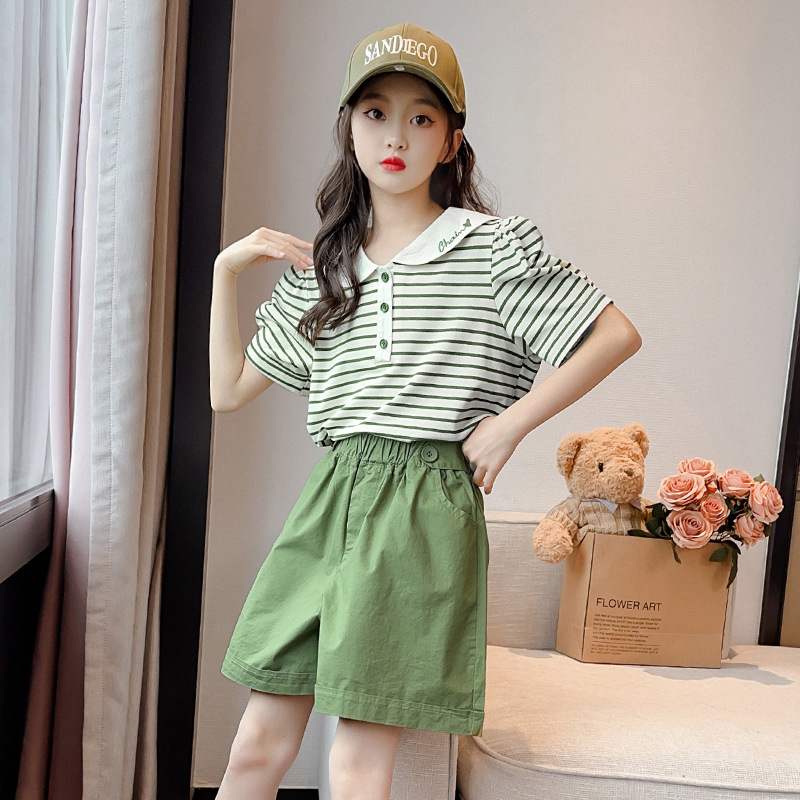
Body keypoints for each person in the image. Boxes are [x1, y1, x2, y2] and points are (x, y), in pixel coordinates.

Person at [208, 21, 641, 800]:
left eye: (421, 117)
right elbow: (229, 391)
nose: (396, 136)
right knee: (254, 748)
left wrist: (509, 426)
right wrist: (224, 271)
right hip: (332, 495)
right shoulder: (325, 266)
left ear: (450, 141)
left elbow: (615, 334)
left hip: (423, 507)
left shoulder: (492, 248)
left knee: (356, 763)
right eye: (375, 113)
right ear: (349, 128)